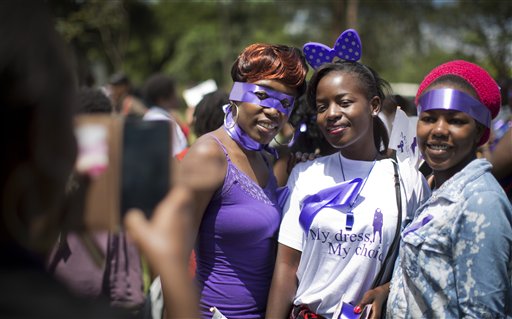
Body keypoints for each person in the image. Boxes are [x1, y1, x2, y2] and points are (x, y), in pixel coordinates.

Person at [266, 29, 430, 319]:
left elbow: (422, 263)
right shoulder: (305, 175)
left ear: (374, 106)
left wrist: (386, 290)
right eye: (321, 106)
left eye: (344, 102)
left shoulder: (407, 179)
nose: (331, 114)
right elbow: (286, 267)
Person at [139, 43, 308, 319]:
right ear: (237, 94)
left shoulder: (264, 158)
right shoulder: (210, 154)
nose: (274, 111)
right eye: (263, 95)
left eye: (285, 103)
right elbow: (173, 256)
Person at [386, 60, 512, 318]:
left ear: (478, 132)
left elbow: (483, 313)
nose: (439, 130)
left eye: (455, 121)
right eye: (429, 119)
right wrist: (387, 291)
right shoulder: (432, 188)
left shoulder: (482, 202)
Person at [142, 73, 189, 157]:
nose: (177, 97)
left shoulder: (149, 117)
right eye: (174, 93)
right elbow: (177, 156)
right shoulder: (163, 122)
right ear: (162, 99)